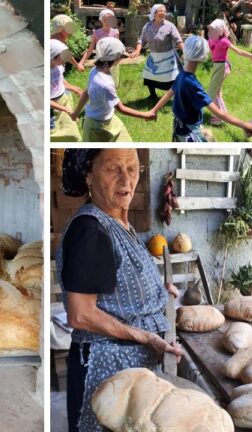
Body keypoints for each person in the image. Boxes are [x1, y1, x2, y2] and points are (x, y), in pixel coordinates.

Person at [56, 148, 182, 432]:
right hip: (107, 369)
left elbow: (119, 283)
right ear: (89, 175)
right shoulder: (90, 230)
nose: (127, 180)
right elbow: (81, 314)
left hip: (132, 370)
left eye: (133, 169)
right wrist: (146, 337)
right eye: (113, 169)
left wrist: (159, 290)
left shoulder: (118, 222)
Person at [150, 35, 252, 141]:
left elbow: (169, 93)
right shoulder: (194, 85)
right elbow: (219, 113)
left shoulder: (180, 76)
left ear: (184, 52)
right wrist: (244, 125)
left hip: (178, 128)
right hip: (190, 132)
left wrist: (154, 110)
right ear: (203, 58)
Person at [71, 38, 156, 142]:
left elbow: (86, 93)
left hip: (108, 119)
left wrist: (75, 113)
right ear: (113, 59)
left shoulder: (94, 71)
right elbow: (121, 108)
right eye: (120, 56)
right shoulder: (106, 84)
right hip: (97, 127)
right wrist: (145, 114)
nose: (121, 58)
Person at [206, 19, 252, 125]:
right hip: (216, 67)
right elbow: (210, 52)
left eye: (213, 28)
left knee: (211, 93)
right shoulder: (210, 39)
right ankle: (223, 115)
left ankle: (220, 117)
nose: (211, 30)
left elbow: (239, 51)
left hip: (223, 66)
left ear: (219, 30)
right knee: (217, 92)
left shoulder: (224, 41)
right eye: (211, 28)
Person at [130, 4, 185, 100]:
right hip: (154, 56)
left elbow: (178, 40)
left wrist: (185, 51)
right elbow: (141, 40)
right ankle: (153, 95)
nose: (163, 13)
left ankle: (175, 96)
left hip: (167, 57)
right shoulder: (147, 26)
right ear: (154, 13)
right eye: (160, 11)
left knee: (171, 78)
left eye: (164, 11)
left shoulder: (170, 26)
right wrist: (137, 50)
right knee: (149, 76)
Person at [79, 9, 122, 87]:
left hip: (113, 62)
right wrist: (81, 63)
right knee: (101, 83)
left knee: (112, 84)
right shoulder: (96, 33)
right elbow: (90, 50)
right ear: (101, 20)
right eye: (105, 19)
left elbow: (118, 49)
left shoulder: (115, 32)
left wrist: (117, 61)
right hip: (101, 62)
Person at [50, 39, 83, 142]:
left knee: (74, 136)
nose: (65, 61)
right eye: (62, 58)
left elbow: (59, 80)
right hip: (51, 110)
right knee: (53, 137)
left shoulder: (58, 65)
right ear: (52, 56)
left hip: (63, 101)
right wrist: (67, 110)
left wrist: (72, 87)